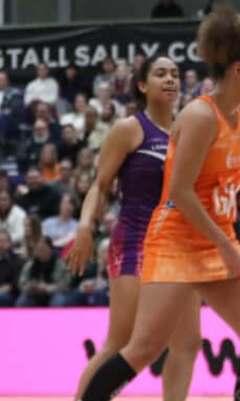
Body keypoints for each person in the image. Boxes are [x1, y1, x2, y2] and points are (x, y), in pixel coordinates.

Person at [78, 10, 240, 401]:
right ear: (239, 69)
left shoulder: (237, 117)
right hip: (176, 242)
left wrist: (223, 241)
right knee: (140, 348)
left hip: (215, 240)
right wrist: (223, 243)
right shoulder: (201, 115)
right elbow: (180, 192)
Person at [67, 55, 200, 401]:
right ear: (143, 85)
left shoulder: (189, 133)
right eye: (160, 74)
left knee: (186, 342)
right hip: (135, 242)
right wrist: (85, 228)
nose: (170, 80)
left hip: (178, 247)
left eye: (174, 74)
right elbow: (100, 185)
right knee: (121, 341)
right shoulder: (129, 129)